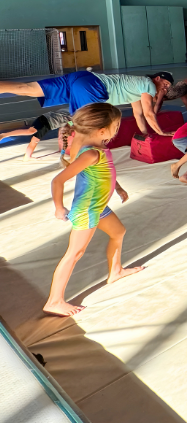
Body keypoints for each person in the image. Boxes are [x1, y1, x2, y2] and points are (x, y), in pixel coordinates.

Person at [43, 103, 142, 317]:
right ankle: (54, 301)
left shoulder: (98, 148)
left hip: (99, 206)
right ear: (102, 130)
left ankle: (115, 271)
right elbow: (58, 181)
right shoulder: (91, 154)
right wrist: (59, 207)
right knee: (74, 254)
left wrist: (118, 188)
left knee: (118, 232)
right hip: (87, 209)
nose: (118, 128)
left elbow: (104, 174)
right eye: (116, 125)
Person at [0, 70, 174, 135]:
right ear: (157, 78)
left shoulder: (137, 88)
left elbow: (139, 114)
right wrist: (161, 133)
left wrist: (145, 134)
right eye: (165, 85)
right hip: (93, 86)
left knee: (27, 88)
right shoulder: (149, 85)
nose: (164, 89)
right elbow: (149, 113)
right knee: (86, 125)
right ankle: (78, 157)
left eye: (167, 88)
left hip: (81, 77)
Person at [0, 110, 71, 160]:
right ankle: (4, 135)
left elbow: (63, 129)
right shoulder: (72, 116)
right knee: (30, 131)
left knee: (34, 140)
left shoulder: (71, 118)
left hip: (48, 124)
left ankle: (27, 157)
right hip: (45, 120)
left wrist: (60, 147)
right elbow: (71, 124)